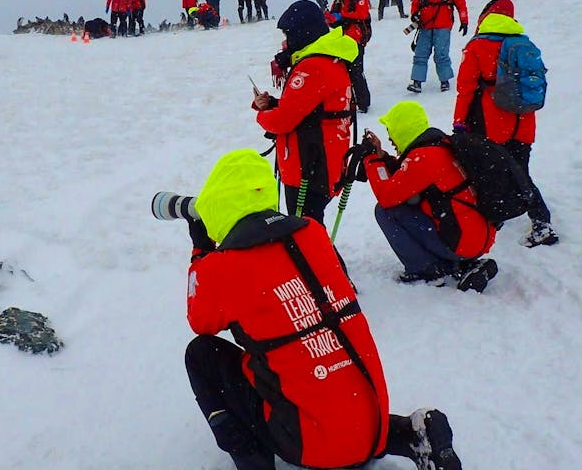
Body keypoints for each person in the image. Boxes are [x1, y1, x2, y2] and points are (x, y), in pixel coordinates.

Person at [183, 147, 463, 470]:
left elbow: (199, 318)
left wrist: (200, 250)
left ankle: (253, 462)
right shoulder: (311, 233)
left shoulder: (221, 268)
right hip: (372, 424)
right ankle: (408, 434)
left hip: (312, 446)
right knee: (314, 349)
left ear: (217, 207)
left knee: (201, 355)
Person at [358, 101, 498, 290]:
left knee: (385, 211)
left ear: (402, 130)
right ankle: (461, 263)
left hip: (462, 243)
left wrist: (373, 160)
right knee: (410, 203)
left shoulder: (423, 158)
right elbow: (405, 176)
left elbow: (387, 196)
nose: (391, 139)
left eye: (392, 133)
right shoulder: (439, 146)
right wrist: (382, 156)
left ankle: (427, 269)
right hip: (476, 238)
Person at [454, 0, 559, 247]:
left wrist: (459, 122)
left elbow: (465, 89)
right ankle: (539, 220)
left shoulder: (477, 47)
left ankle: (497, 218)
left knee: (490, 171)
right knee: (521, 170)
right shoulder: (524, 43)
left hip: (491, 122)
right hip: (523, 121)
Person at [252, 0, 356, 226]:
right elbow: (312, 109)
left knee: (305, 235)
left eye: (289, 35)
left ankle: (325, 263)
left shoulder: (313, 67)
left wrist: (262, 115)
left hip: (309, 167)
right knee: (310, 230)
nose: (286, 42)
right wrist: (272, 103)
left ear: (302, 33)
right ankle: (322, 261)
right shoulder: (331, 58)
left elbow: (283, 121)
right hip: (325, 161)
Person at [406, 0, 469, 94]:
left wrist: (464, 21)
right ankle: (417, 82)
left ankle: (444, 80)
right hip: (425, 26)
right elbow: (415, 3)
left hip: (443, 27)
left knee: (441, 55)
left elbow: (461, 4)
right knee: (420, 54)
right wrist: (414, 15)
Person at [327, 0, 373, 113]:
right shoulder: (338, 0)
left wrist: (342, 17)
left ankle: (363, 103)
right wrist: (331, 18)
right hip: (341, 41)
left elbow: (362, 14)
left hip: (356, 40)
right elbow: (333, 18)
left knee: (356, 72)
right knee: (343, 72)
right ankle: (349, 101)